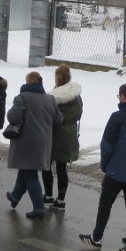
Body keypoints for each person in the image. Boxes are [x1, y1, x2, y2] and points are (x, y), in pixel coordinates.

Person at [78, 83, 126, 251]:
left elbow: (107, 144)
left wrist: (105, 165)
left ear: (123, 97)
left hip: (116, 171)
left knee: (105, 204)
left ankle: (97, 237)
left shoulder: (118, 117)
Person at [5, 71, 62, 219]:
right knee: (26, 169)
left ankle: (39, 208)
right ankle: (15, 196)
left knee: (30, 174)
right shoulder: (50, 99)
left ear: (27, 83)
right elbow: (58, 120)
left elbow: (13, 117)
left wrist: (11, 110)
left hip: (26, 141)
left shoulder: (22, 98)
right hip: (44, 143)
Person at [43, 64, 83, 209]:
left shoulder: (55, 96)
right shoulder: (76, 95)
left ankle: (48, 195)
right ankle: (60, 199)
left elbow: (51, 115)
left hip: (55, 134)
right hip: (69, 135)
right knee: (61, 167)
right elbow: (78, 114)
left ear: (58, 77)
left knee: (46, 165)